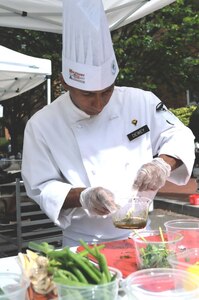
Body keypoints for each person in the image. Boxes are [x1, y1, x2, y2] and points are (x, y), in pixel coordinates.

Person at [21, 0, 195, 247]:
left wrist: (162, 164)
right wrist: (83, 196)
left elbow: (180, 135)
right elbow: (40, 186)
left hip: (140, 236)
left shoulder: (141, 101)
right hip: (82, 242)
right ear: (65, 82)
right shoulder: (42, 124)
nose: (99, 103)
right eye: (87, 95)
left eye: (107, 91)